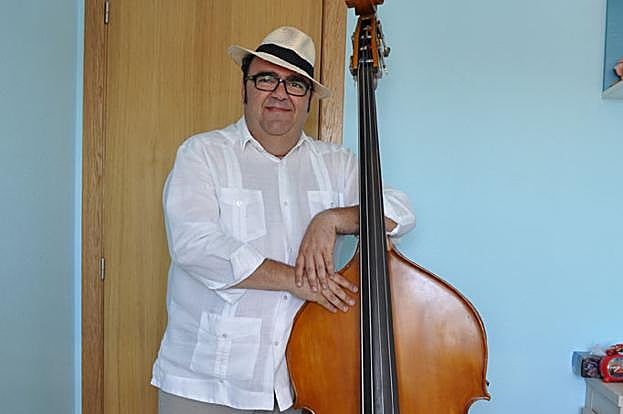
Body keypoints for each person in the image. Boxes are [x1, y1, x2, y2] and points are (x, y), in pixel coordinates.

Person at [151, 26, 416, 413]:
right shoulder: (202, 154)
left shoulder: (336, 164)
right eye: (266, 78)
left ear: (308, 100)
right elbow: (196, 246)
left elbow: (399, 211)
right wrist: (299, 281)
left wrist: (332, 219)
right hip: (206, 383)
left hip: (299, 385)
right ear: (244, 88)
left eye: (295, 84)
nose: (280, 93)